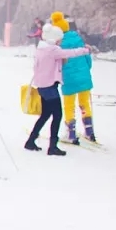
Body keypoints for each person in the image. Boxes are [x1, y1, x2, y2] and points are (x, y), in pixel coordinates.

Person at [25, 23, 90, 156]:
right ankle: (52, 146)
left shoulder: (41, 49)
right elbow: (71, 53)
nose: (61, 42)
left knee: (45, 115)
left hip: (42, 86)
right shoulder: (53, 50)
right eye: (59, 39)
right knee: (57, 115)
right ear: (54, 39)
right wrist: (85, 50)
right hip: (50, 87)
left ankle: (31, 140)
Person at [50, 12, 96, 144]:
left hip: (68, 79)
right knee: (84, 103)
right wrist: (86, 70)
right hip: (84, 77)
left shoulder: (57, 44)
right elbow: (87, 58)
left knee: (69, 106)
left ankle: (71, 133)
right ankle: (89, 131)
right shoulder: (77, 38)